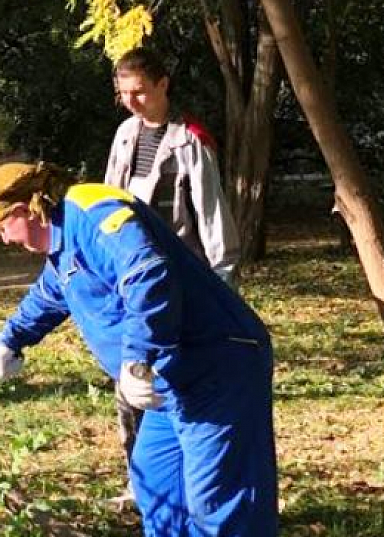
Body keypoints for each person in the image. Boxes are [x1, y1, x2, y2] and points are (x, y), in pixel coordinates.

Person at [0, 163, 281, 537]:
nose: (3, 240)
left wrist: (138, 358)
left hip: (217, 367)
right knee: (157, 486)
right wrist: (11, 339)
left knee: (221, 507)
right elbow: (52, 293)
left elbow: (148, 271)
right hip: (171, 382)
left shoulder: (93, 209)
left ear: (24, 210)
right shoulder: (64, 246)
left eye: (2, 227)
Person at [104, 46, 241, 461]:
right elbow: (109, 204)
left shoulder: (190, 140)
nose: (131, 101)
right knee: (131, 380)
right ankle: (138, 477)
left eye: (139, 91)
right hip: (131, 280)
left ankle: (183, 469)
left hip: (181, 281)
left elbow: (213, 217)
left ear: (163, 85)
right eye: (124, 93)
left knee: (176, 385)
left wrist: (222, 287)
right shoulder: (125, 134)